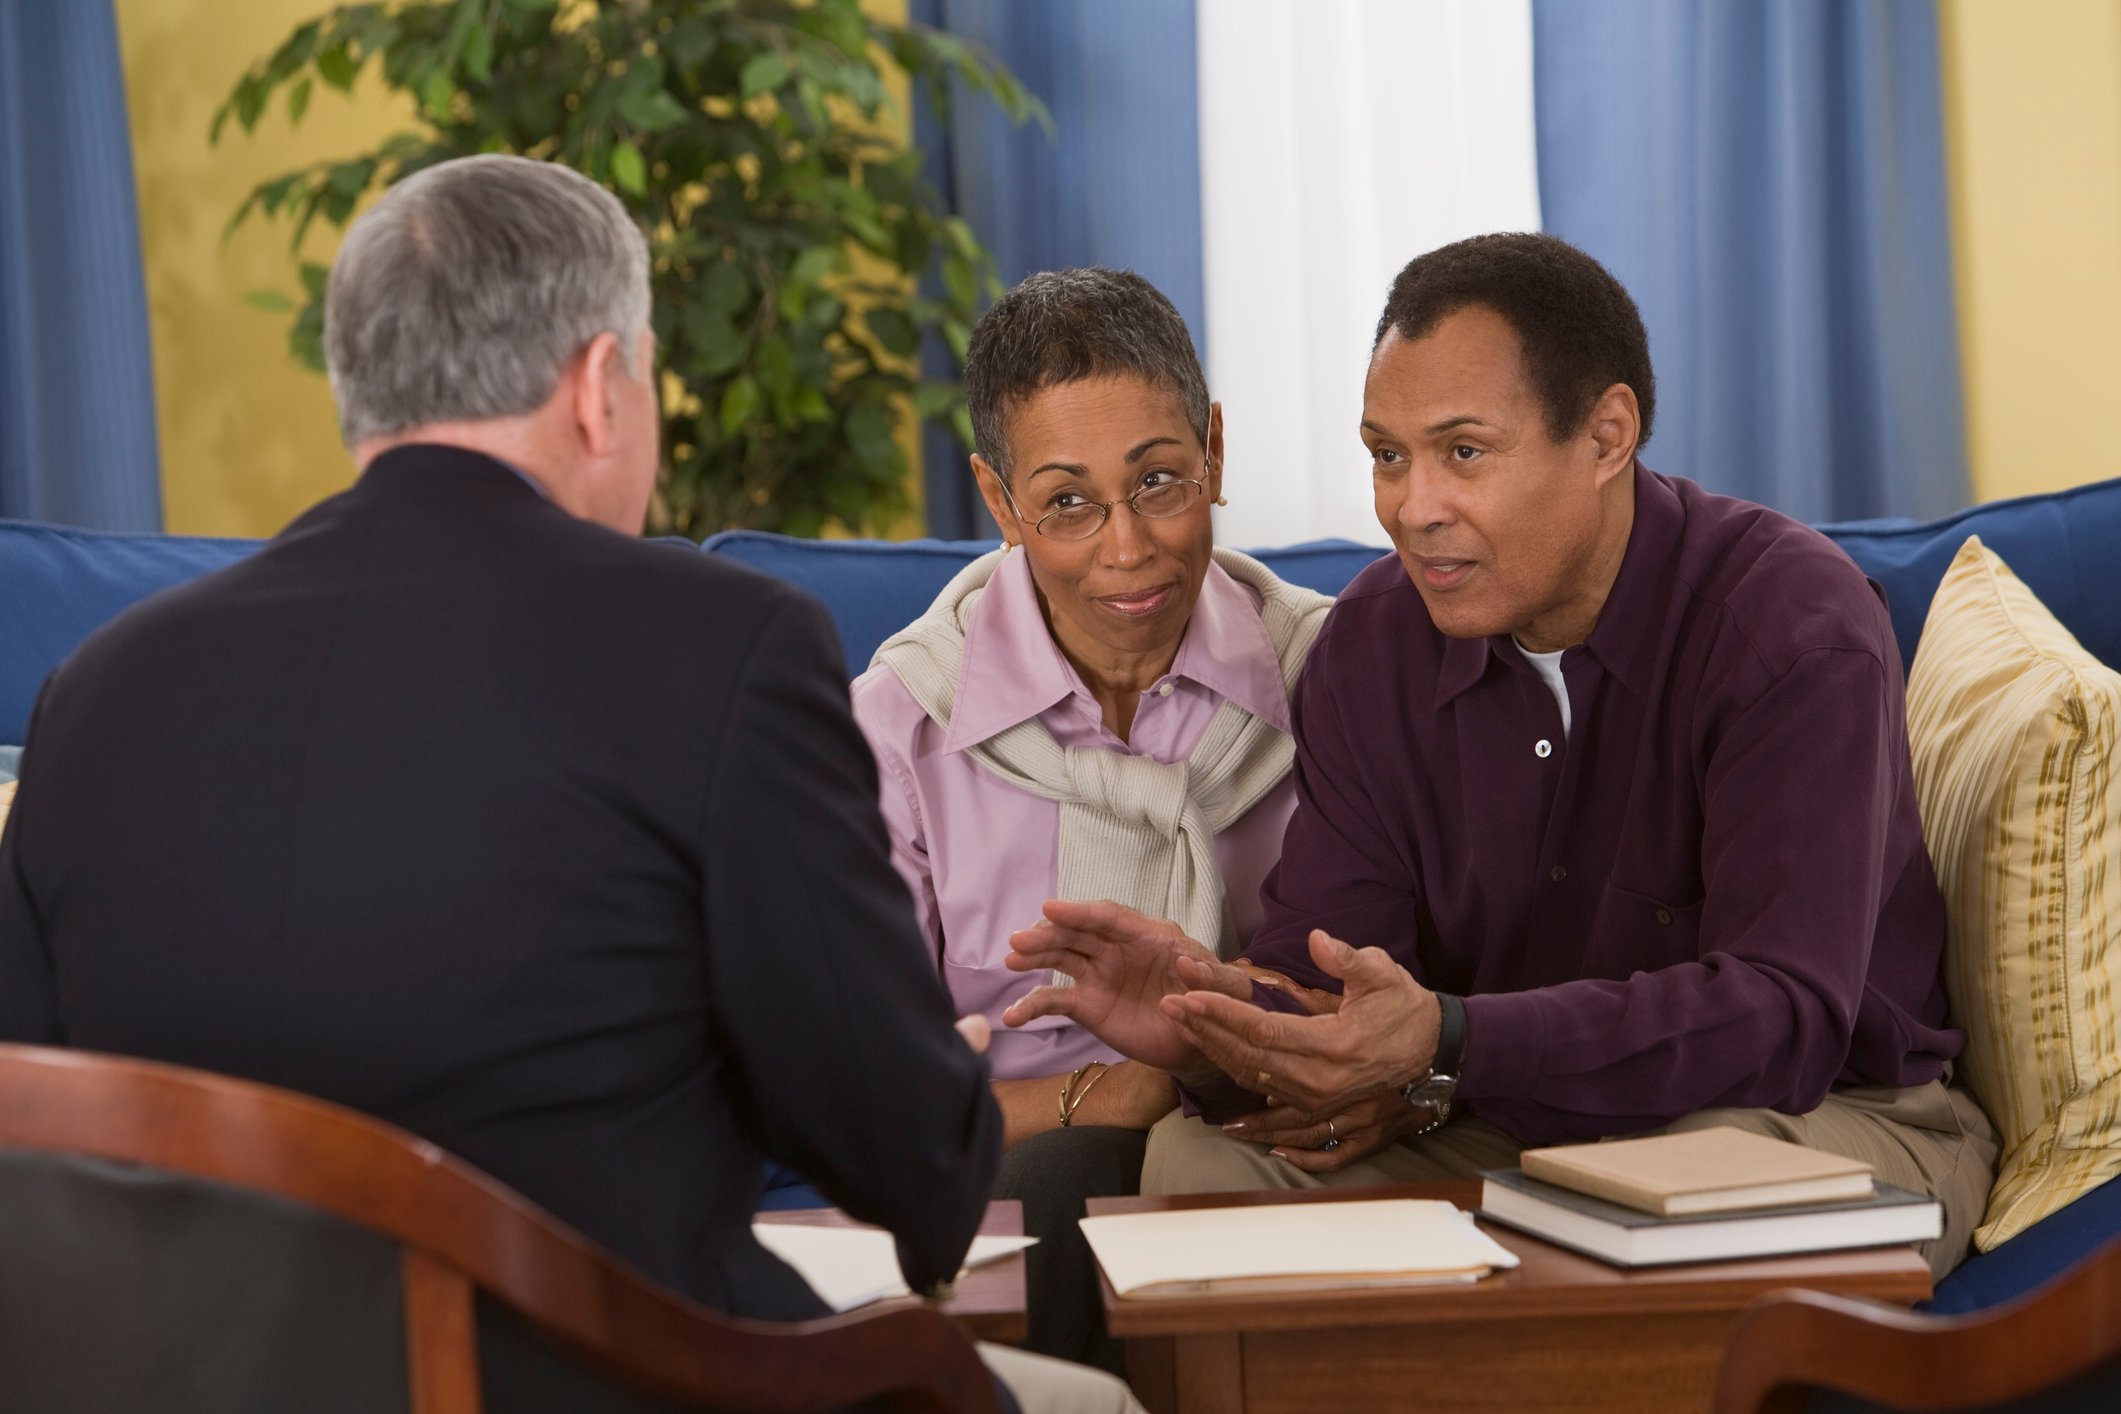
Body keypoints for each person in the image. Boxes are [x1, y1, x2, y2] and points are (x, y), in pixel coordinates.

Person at [0, 154, 1137, 1413]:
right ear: (603, 386)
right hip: (612, 1379)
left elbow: (34, 1140)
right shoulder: (722, 646)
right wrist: (939, 1090)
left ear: (361, 391)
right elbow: (906, 1159)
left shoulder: (95, 692)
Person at [1003, 232, 1998, 1282]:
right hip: (1499, 1120)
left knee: (1657, 1202)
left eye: (1463, 452)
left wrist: (1450, 1038)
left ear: (1607, 434)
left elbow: (1785, 1019)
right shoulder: (1372, 647)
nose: (1411, 506)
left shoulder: (1790, 621)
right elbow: (1334, 990)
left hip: (1812, 1117)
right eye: (1387, 455)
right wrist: (1210, 1016)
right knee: (1200, 1161)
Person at [852, 268, 1331, 1366]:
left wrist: (1205, 1075)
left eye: (1160, 479)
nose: (1129, 548)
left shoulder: (1331, 678)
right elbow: (869, 1103)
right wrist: (1118, 1092)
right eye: (1068, 501)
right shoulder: (899, 734)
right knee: (1062, 1186)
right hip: (1035, 1176)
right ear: (999, 499)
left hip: (1283, 1129)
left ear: (1213, 447)